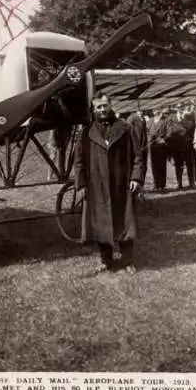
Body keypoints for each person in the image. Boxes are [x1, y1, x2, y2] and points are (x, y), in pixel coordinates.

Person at [74, 92, 143, 274]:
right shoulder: (86, 133)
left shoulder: (125, 128)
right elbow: (79, 161)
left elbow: (137, 155)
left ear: (110, 106)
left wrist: (135, 177)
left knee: (125, 223)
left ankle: (128, 261)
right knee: (100, 224)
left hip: (122, 185)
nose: (102, 110)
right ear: (94, 109)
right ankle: (106, 260)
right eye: (99, 107)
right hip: (97, 187)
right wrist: (81, 185)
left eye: (105, 106)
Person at [167, 103, 195, 189]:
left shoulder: (189, 116)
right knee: (178, 165)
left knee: (189, 164)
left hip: (186, 145)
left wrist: (178, 129)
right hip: (176, 145)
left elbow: (191, 127)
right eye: (179, 107)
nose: (180, 108)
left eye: (182, 107)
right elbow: (170, 130)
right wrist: (178, 130)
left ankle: (191, 183)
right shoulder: (172, 117)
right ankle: (179, 184)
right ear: (176, 108)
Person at [148, 107, 169, 191]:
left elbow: (169, 132)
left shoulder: (165, 120)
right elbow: (147, 131)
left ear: (159, 110)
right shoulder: (150, 120)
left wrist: (163, 139)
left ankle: (162, 185)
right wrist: (149, 138)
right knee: (154, 165)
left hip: (161, 146)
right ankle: (155, 183)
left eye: (156, 109)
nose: (154, 111)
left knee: (161, 165)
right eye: (153, 109)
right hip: (152, 146)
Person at [127, 107, 148, 185]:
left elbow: (144, 133)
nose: (141, 111)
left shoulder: (143, 119)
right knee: (139, 166)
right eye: (140, 109)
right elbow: (131, 134)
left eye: (143, 109)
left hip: (144, 147)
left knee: (144, 166)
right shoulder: (132, 118)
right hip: (137, 147)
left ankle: (141, 184)